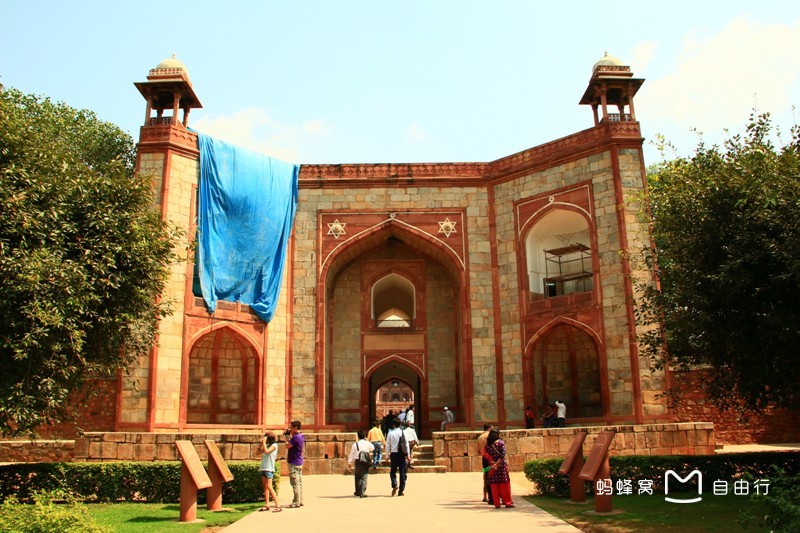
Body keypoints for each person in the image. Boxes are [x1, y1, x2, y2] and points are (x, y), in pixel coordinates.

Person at [482, 428, 514, 508]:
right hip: (501, 467)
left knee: (494, 485)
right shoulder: (501, 443)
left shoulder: (487, 445)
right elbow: (502, 455)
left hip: (492, 467)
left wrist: (493, 463)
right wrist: (497, 463)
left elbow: (486, 456)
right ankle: (507, 502)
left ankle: (497, 503)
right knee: (504, 485)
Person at [385, 417, 410, 496]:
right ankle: (401, 491)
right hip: (402, 454)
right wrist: (408, 455)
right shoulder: (403, 432)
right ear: (400, 424)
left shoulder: (390, 433)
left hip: (394, 454)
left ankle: (394, 484)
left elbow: (388, 445)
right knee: (402, 472)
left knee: (393, 471)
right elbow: (406, 445)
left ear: (393, 425)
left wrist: (386, 456)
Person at [348, 429, 375, 498]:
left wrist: (349, 462)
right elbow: (372, 448)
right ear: (364, 436)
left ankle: (357, 491)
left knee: (357, 476)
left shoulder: (355, 444)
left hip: (358, 461)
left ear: (358, 436)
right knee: (364, 476)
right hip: (365, 461)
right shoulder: (367, 443)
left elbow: (351, 454)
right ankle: (362, 492)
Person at [259, 431, 282, 512]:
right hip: (263, 468)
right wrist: (261, 444)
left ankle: (278, 505)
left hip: (269, 468)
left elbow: (267, 451)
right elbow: (258, 452)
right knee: (265, 487)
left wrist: (264, 443)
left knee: (269, 486)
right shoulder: (267, 445)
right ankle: (267, 504)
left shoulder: (274, 445)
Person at [285, 420, 304, 508]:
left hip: (294, 462)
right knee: (299, 483)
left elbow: (287, 445)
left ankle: (296, 501)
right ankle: (300, 500)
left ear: (295, 427)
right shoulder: (300, 436)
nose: (290, 429)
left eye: (291, 427)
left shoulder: (295, 437)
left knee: (294, 483)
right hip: (299, 461)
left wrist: (287, 437)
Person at [477, 423, 494, 505]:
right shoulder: (491, 436)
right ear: (490, 428)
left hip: (484, 460)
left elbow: (478, 451)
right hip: (492, 460)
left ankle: (485, 496)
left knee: (486, 475)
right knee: (493, 476)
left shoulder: (480, 437)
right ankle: (493, 496)